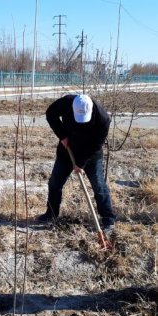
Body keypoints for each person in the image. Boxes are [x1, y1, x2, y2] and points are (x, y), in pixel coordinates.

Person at [37, 94, 117, 233]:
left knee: (99, 186)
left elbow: (96, 145)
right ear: (73, 108)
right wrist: (62, 136)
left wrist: (80, 163)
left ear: (91, 111)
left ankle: (108, 219)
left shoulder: (103, 119)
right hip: (67, 150)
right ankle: (51, 214)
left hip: (91, 155)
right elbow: (50, 114)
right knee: (55, 183)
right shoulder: (66, 102)